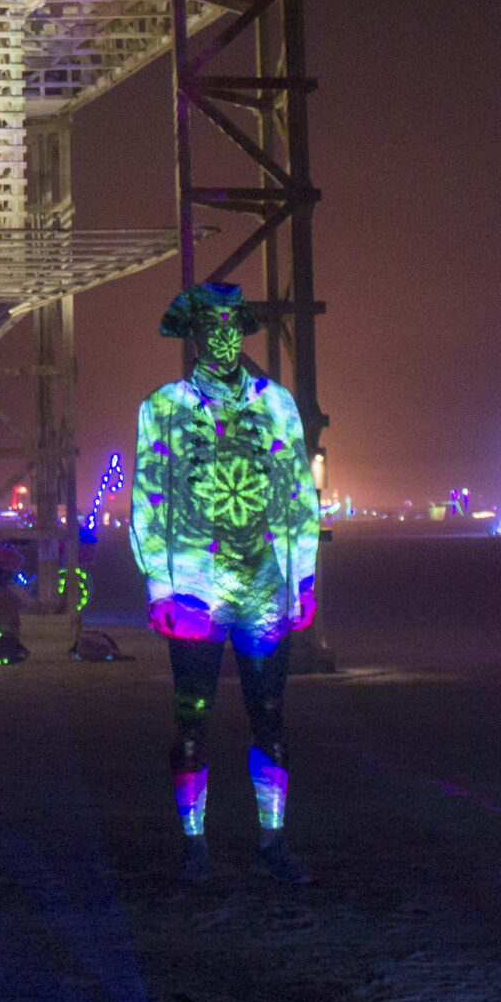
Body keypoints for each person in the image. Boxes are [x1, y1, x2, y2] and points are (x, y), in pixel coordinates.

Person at [131, 282, 319, 886]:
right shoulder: (163, 408)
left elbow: (299, 496)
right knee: (191, 719)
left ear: (241, 330)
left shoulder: (277, 404)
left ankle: (272, 840)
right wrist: (160, 589)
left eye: (230, 324)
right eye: (209, 326)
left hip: (264, 586)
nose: (221, 337)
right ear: (192, 336)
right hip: (195, 595)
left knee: (270, 716)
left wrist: (302, 579)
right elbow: (147, 501)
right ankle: (195, 845)